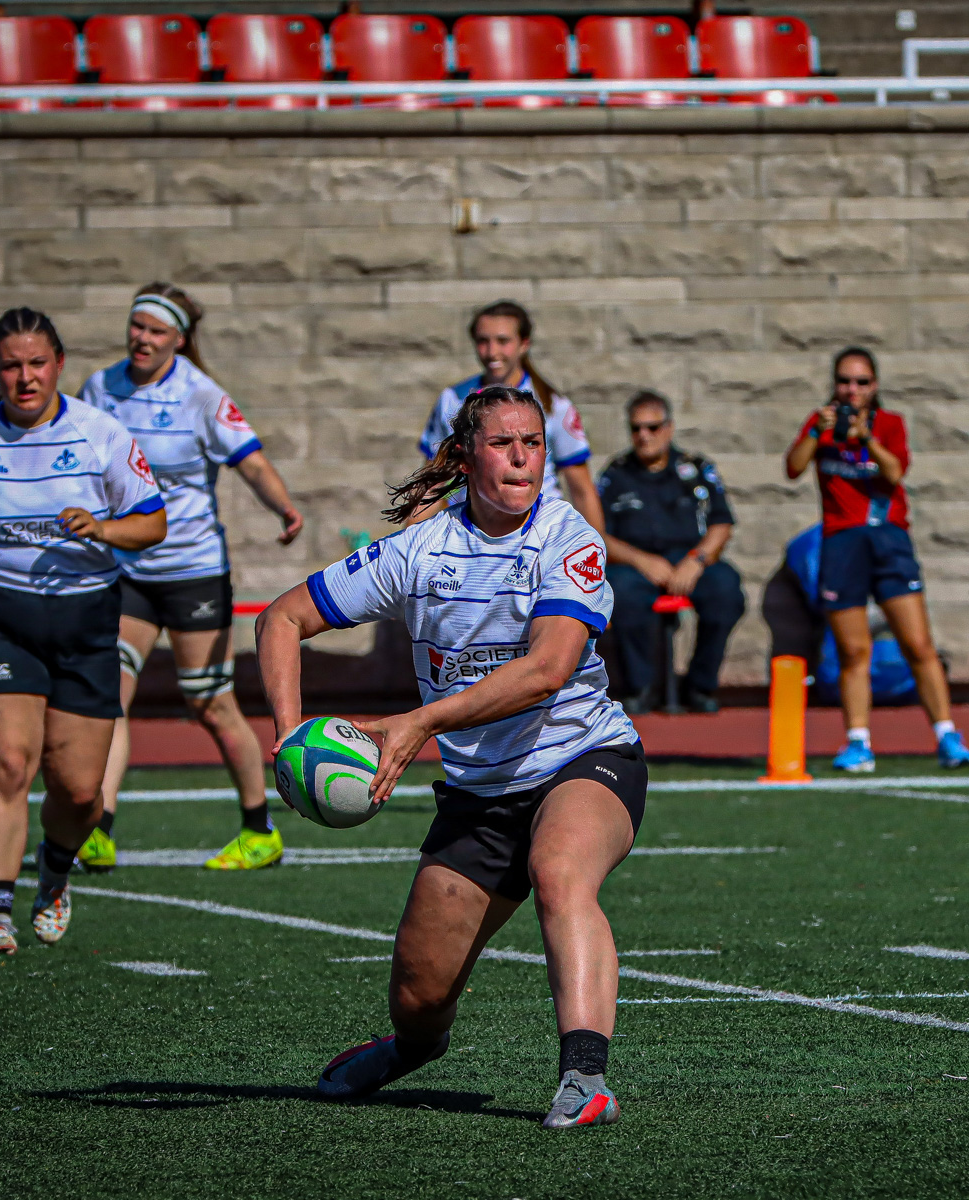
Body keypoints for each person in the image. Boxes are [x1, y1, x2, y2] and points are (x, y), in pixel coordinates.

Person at [256, 385, 640, 1130]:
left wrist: (418, 722)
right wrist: (290, 737)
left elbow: (547, 670)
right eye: (504, 443)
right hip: (479, 793)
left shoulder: (570, 540)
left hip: (585, 757)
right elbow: (283, 617)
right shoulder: (420, 551)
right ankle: (407, 1050)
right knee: (420, 997)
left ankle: (585, 1077)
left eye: (533, 442)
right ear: (466, 458)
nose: (523, 457)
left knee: (560, 873)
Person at [0, 307, 165, 955]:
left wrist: (103, 528)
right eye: (12, 365)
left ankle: (53, 869)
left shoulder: (100, 433)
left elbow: (152, 523)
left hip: (84, 618)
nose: (25, 378)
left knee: (78, 790)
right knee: (9, 762)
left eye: (37, 363)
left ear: (59, 366)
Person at [80, 283, 304, 873]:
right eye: (137, 326)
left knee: (208, 701)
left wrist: (283, 507)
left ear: (178, 340)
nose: (142, 339)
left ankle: (259, 828)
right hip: (126, 569)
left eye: (156, 331)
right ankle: (97, 828)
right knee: (110, 697)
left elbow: (249, 459)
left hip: (192, 571)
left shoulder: (201, 395)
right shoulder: (100, 388)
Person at [784, 347, 969, 773]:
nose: (852, 390)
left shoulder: (890, 424)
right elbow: (793, 469)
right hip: (841, 542)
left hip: (888, 539)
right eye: (845, 381)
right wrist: (817, 434)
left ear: (875, 387)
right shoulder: (820, 424)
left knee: (917, 644)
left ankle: (947, 735)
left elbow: (893, 472)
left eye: (862, 382)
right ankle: (858, 742)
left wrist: (866, 437)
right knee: (853, 650)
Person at [598, 390, 744, 715]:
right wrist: (641, 561)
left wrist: (697, 560)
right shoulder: (616, 475)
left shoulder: (697, 469)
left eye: (652, 427)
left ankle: (700, 686)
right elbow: (599, 534)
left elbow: (721, 524)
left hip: (690, 559)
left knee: (726, 588)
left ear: (669, 428)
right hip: (636, 563)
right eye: (636, 428)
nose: (643, 435)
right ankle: (641, 687)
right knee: (620, 591)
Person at [415, 300, 605, 532]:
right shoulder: (452, 399)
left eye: (503, 341)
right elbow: (433, 479)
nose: (492, 351)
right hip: (470, 530)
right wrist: (412, 534)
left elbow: (582, 489)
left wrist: (596, 550)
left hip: (538, 530)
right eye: (483, 341)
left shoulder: (553, 404)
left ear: (524, 344)